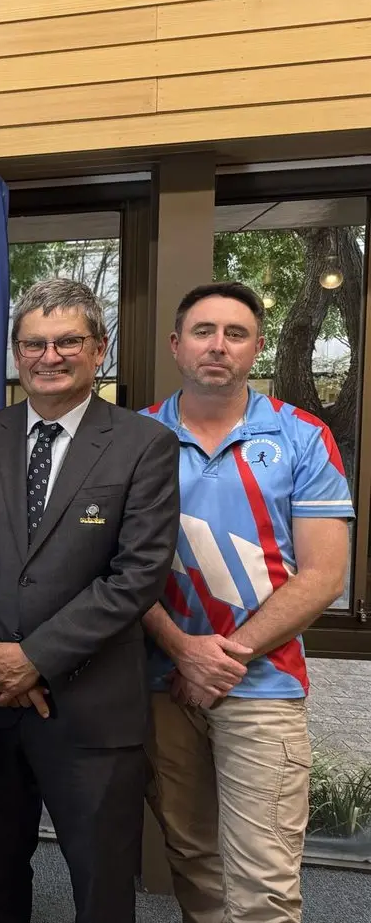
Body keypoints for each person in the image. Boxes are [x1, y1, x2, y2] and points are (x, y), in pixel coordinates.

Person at [0, 279, 180, 923]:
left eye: (68, 341)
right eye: (33, 343)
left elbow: (138, 573)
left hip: (91, 711)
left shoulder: (143, 444)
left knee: (101, 887)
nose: (49, 356)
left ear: (100, 349)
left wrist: (33, 658)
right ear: (15, 353)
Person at [141, 282, 352, 923]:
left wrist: (220, 658)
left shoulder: (304, 437)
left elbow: (323, 576)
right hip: (159, 681)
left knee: (264, 883)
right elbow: (112, 570)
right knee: (195, 862)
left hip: (261, 683)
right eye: (204, 331)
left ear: (257, 348)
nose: (218, 345)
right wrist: (182, 651)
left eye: (236, 334)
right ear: (177, 345)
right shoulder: (134, 438)